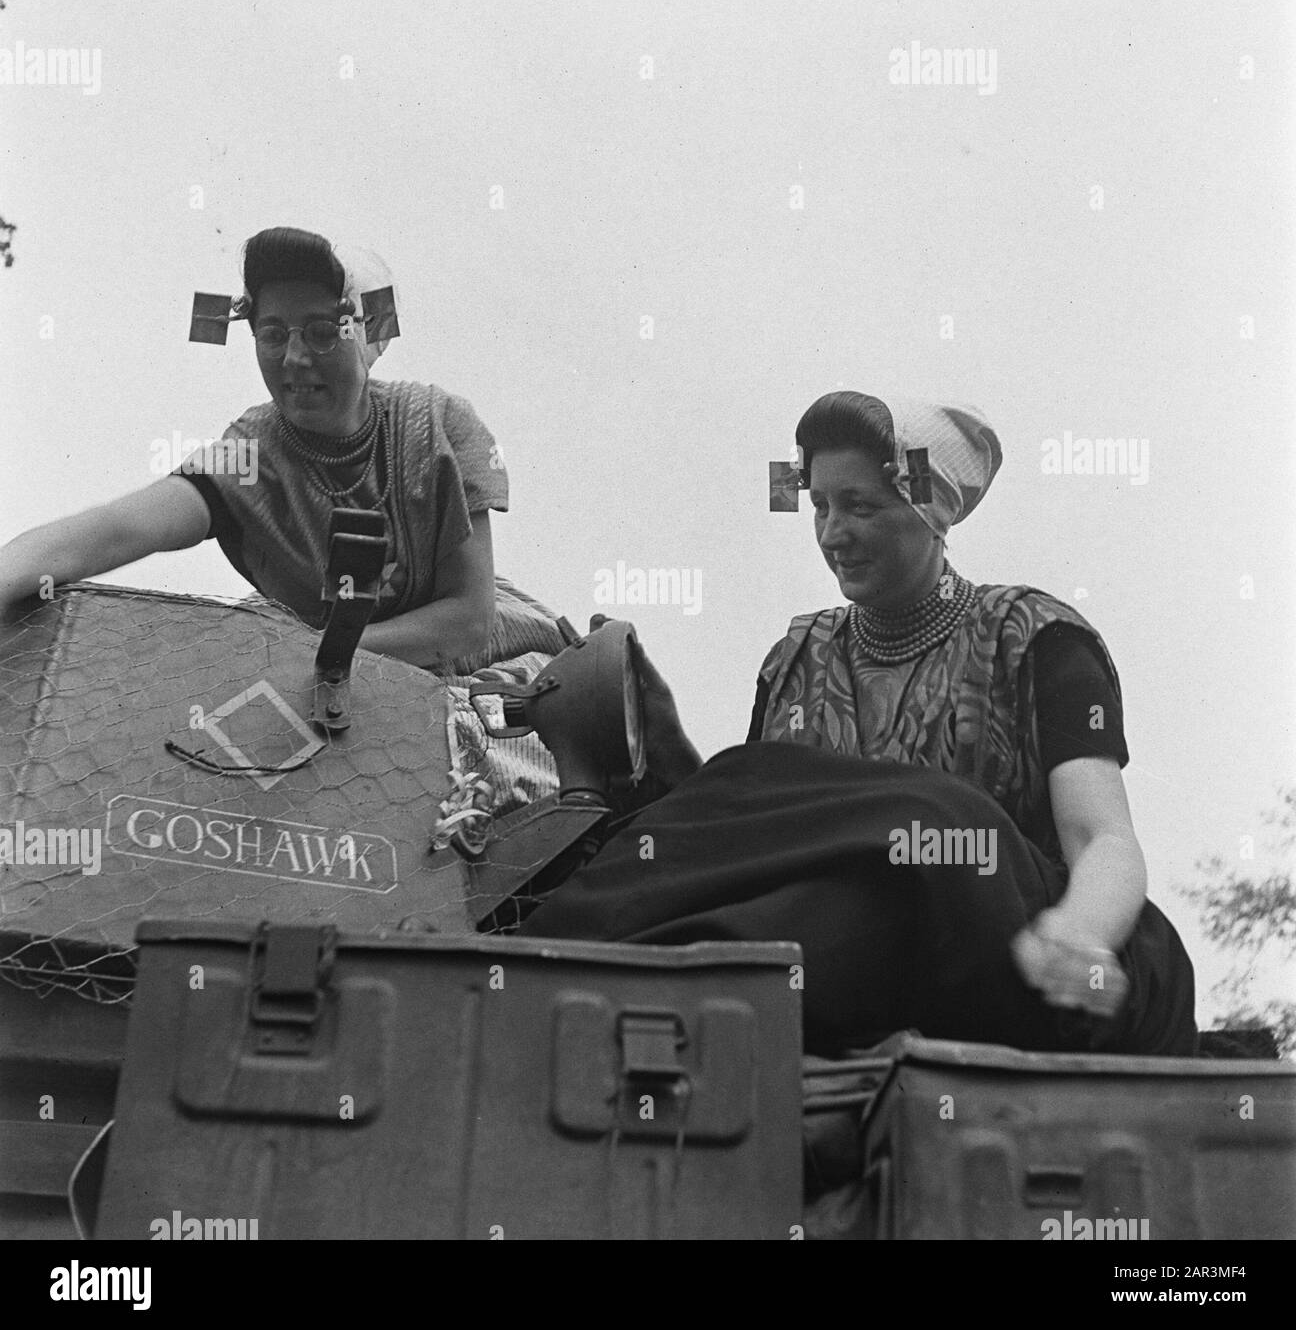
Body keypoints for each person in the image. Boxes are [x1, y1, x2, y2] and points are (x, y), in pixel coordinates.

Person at [520, 391, 1197, 1057]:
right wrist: (662, 756)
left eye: (861, 507)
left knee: (937, 823)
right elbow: (767, 846)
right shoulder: (795, 660)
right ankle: (538, 971)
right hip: (863, 940)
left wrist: (1077, 937)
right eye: (819, 506)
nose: (832, 534)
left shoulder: (1034, 637)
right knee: (760, 861)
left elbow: (1102, 836)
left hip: (1001, 930)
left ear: (930, 511)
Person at [0, 226, 566, 812]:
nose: (295, 359)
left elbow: (467, 620)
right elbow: (120, 528)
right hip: (311, 680)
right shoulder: (250, 457)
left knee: (494, 768)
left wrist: (319, 659)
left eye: (322, 332)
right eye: (273, 334)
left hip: (466, 668)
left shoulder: (436, 427)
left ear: (369, 334)